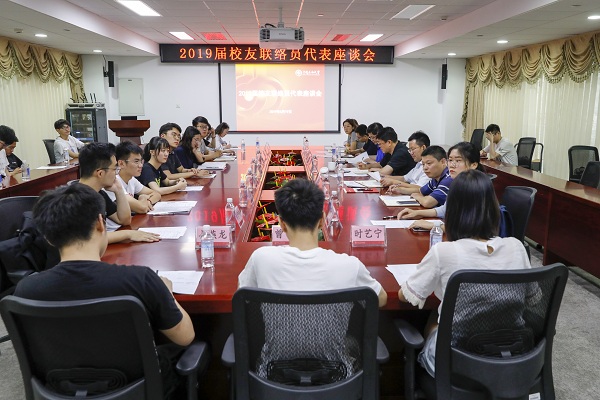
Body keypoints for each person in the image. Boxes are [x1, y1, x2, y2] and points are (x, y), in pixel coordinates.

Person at [13, 183, 195, 398]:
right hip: (138, 388)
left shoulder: (26, 291)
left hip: (60, 390)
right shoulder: (140, 280)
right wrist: (167, 293)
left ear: (49, 238)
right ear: (101, 223)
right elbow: (185, 337)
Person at [397, 169, 532, 377]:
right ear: (493, 207)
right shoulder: (516, 247)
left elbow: (405, 296)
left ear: (452, 210)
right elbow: (533, 298)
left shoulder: (444, 252)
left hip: (456, 362)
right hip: (510, 354)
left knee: (434, 317)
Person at [238, 178, 387, 308]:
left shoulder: (260, 259)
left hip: (274, 334)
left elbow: (242, 294)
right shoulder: (350, 266)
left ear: (281, 224)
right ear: (322, 221)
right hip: (333, 334)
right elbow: (381, 299)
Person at [78, 142, 160, 244]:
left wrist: (119, 190)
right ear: (100, 173)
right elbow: (93, 239)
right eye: (114, 169)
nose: (116, 173)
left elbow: (124, 220)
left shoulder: (99, 193)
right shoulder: (78, 200)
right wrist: (129, 234)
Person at [398, 142, 483, 229]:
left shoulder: (476, 187)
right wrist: (418, 213)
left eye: (458, 161)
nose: (452, 165)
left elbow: (467, 227)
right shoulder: (457, 183)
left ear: (473, 165)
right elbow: (444, 210)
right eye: (450, 160)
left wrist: (433, 225)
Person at [113, 141, 161, 214]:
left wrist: (149, 201)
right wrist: (143, 197)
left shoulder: (131, 179)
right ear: (121, 163)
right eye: (136, 161)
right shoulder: (114, 181)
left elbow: (156, 194)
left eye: (141, 161)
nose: (141, 165)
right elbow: (142, 208)